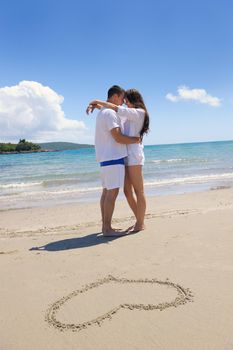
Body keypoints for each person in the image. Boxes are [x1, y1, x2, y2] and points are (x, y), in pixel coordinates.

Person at [87, 88, 149, 232]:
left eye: (127, 101)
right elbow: (113, 113)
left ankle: (140, 223)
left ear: (134, 100)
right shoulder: (127, 114)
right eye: (124, 101)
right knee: (127, 191)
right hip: (124, 155)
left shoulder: (140, 112)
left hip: (134, 155)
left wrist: (96, 101)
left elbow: (115, 108)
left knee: (138, 191)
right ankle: (138, 219)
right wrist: (99, 107)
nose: (125, 104)